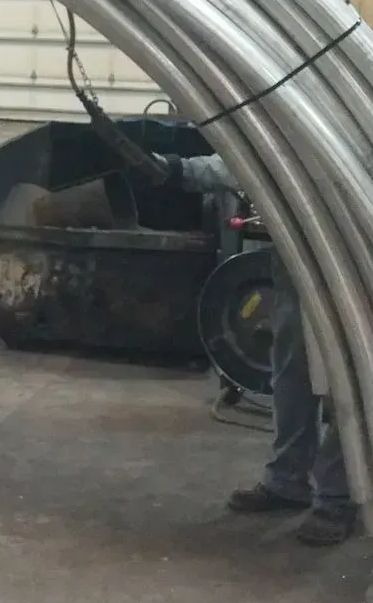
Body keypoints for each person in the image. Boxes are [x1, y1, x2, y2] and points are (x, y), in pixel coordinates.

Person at [142, 150, 356, 547]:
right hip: (299, 257)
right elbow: (257, 156)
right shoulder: (296, 103)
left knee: (353, 381)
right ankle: (287, 481)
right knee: (293, 373)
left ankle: (338, 497)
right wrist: (179, 168)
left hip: (359, 261)